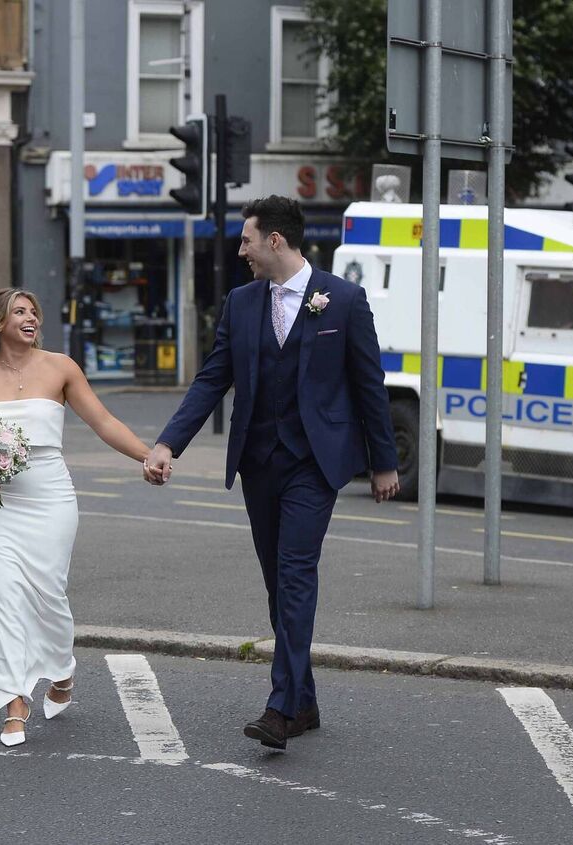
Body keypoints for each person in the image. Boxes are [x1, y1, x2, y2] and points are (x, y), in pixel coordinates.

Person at [143, 196, 399, 751]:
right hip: (260, 462)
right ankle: (303, 700)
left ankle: (280, 707)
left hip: (316, 462)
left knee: (294, 575)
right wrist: (168, 444)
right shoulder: (240, 303)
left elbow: (369, 386)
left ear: (275, 241)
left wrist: (384, 463)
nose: (242, 251)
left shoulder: (344, 301)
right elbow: (213, 380)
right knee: (275, 583)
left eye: (246, 240)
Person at [0, 288, 155, 747]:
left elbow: (103, 421)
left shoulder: (61, 367)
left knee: (49, 595)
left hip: (51, 498)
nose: (30, 319)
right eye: (20, 312)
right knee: (4, 598)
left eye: (34, 313)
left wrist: (148, 456)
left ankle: (62, 670)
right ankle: (14, 701)